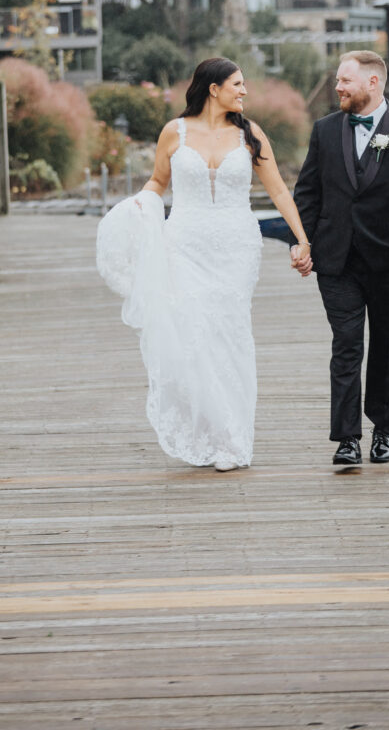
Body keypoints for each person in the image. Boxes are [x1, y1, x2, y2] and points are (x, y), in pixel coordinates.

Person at [96, 57, 312, 472]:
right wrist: (141, 207)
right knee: (192, 332)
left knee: (228, 333)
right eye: (237, 84)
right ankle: (211, 427)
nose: (244, 91)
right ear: (213, 89)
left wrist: (301, 239)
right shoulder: (174, 132)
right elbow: (158, 182)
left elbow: (281, 192)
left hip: (235, 247)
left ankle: (233, 439)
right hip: (184, 244)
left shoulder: (250, 135)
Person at [290, 50, 389, 466]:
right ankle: (346, 439)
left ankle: (382, 432)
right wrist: (300, 242)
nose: (337, 87)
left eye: (345, 81)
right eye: (338, 80)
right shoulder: (324, 130)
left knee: (388, 348)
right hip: (336, 260)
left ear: (372, 83)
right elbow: (307, 192)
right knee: (346, 346)